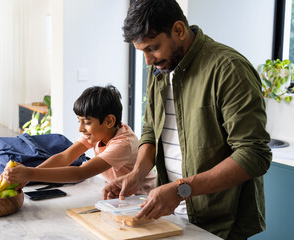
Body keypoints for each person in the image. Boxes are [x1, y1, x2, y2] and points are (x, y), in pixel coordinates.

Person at [102, 0, 272, 239]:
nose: (147, 61)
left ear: (179, 30)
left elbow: (254, 154)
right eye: (141, 51)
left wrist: (181, 189)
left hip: (222, 222)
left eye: (152, 48)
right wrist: (138, 172)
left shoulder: (229, 69)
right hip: (169, 213)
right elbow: (151, 127)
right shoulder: (160, 69)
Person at [2, 85, 156, 195]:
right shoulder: (99, 133)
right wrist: (30, 176)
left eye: (87, 122)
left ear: (109, 121)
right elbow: (65, 157)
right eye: (79, 121)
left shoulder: (123, 144)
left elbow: (81, 173)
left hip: (142, 196)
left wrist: (29, 173)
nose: (81, 129)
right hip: (119, 191)